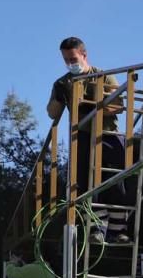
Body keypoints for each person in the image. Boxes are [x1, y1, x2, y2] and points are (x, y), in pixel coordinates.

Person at [47, 37, 131, 244]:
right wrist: (59, 98)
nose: (70, 63)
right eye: (66, 60)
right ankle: (96, 229)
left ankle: (118, 231)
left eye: (73, 58)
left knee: (114, 183)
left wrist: (94, 105)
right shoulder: (63, 83)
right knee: (85, 183)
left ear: (84, 55)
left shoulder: (103, 76)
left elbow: (118, 105)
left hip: (108, 134)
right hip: (82, 137)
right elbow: (51, 112)